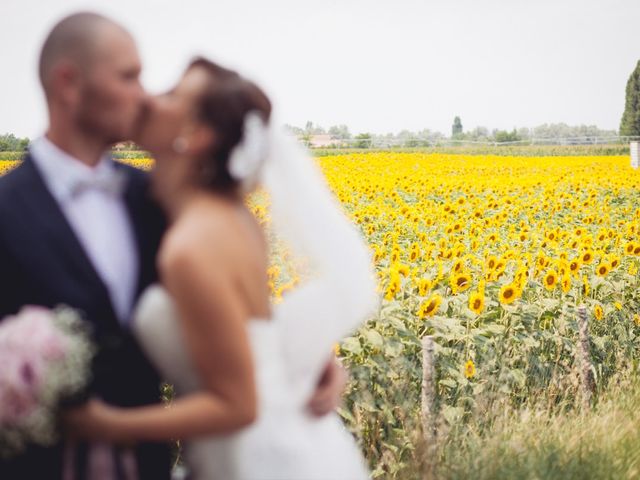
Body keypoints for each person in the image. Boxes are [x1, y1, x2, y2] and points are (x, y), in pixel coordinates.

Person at [0, 13, 346, 480]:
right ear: (68, 84)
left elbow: (234, 302)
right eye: (129, 76)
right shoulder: (7, 210)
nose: (144, 93)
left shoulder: (159, 201)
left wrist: (304, 362)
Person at [65, 58, 377, 479]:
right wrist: (304, 362)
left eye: (173, 93)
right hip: (279, 442)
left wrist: (107, 426)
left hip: (255, 459)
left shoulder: (193, 244)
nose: (151, 97)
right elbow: (251, 328)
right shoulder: (231, 216)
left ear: (197, 135)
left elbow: (238, 403)